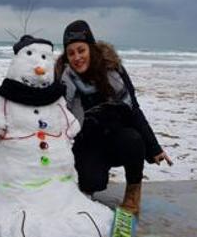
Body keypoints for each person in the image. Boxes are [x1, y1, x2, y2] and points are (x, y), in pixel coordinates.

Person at [56, 20, 172, 215]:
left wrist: (154, 147)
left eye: (81, 50)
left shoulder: (113, 70)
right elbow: (55, 114)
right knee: (91, 182)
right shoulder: (63, 79)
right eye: (71, 53)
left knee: (133, 140)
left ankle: (132, 197)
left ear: (91, 49)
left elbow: (133, 108)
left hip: (116, 138)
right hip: (86, 142)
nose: (77, 57)